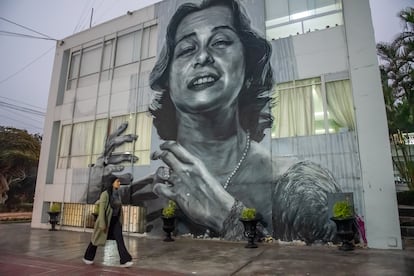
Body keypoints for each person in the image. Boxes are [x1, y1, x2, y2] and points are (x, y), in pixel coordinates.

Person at [147, 0, 341, 243]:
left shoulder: (299, 186)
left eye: (219, 42)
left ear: (249, 64)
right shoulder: (148, 193)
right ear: (167, 78)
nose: (203, 57)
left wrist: (229, 216)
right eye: (187, 49)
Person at [83, 174, 133, 267]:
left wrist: (120, 220)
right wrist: (102, 223)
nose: (119, 183)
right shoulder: (105, 194)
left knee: (120, 240)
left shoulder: (117, 194)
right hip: (106, 220)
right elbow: (102, 210)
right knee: (96, 239)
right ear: (112, 183)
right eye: (117, 181)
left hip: (115, 221)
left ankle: (125, 260)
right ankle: (88, 257)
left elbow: (119, 208)